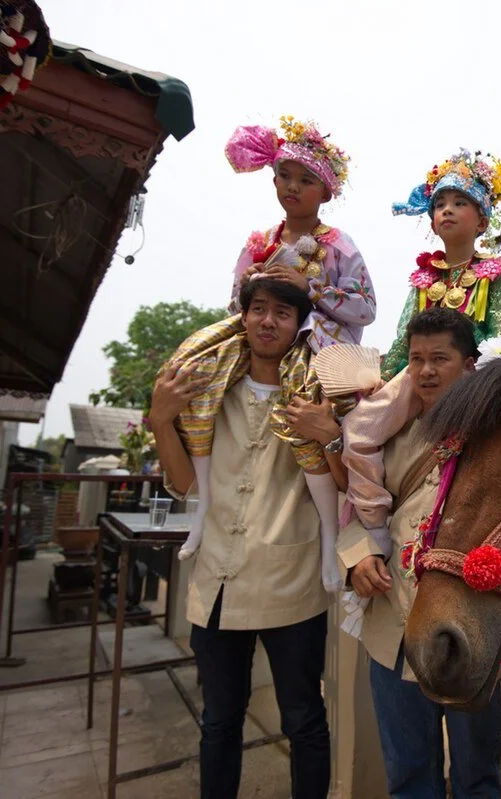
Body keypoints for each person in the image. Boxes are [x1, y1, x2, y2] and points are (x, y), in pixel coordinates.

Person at [152, 278, 345, 798]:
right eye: (258, 309)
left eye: (282, 313)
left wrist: (331, 434)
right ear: (242, 317)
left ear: (297, 324)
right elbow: (187, 483)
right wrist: (158, 420)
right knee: (219, 721)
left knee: (303, 718)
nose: (267, 321)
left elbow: (345, 482)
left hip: (291, 581)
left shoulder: (317, 393)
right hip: (217, 581)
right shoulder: (209, 392)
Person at [174, 117, 375, 596]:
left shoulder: (338, 245)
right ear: (273, 179)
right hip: (259, 344)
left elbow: (366, 308)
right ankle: (200, 510)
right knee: (189, 370)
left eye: (306, 180)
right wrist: (257, 291)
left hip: (317, 351)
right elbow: (234, 302)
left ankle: (329, 535)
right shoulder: (258, 242)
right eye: (285, 175)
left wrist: (314, 288)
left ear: (325, 192)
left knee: (306, 410)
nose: (293, 187)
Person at [336, 307, 501, 798]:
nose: (426, 371)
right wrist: (360, 557)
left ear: (470, 364)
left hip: (468, 631)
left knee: (477, 776)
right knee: (408, 775)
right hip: (393, 629)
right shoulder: (384, 435)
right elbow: (355, 513)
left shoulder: (496, 439)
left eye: (440, 359)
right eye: (416, 359)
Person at [343, 150, 501, 557]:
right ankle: (372, 523)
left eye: (460, 203)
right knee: (358, 429)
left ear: (483, 219)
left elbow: (500, 335)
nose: (447, 211)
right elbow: (407, 337)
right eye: (439, 204)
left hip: (473, 376)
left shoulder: (500, 271)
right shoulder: (424, 275)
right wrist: (384, 381)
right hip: (418, 373)